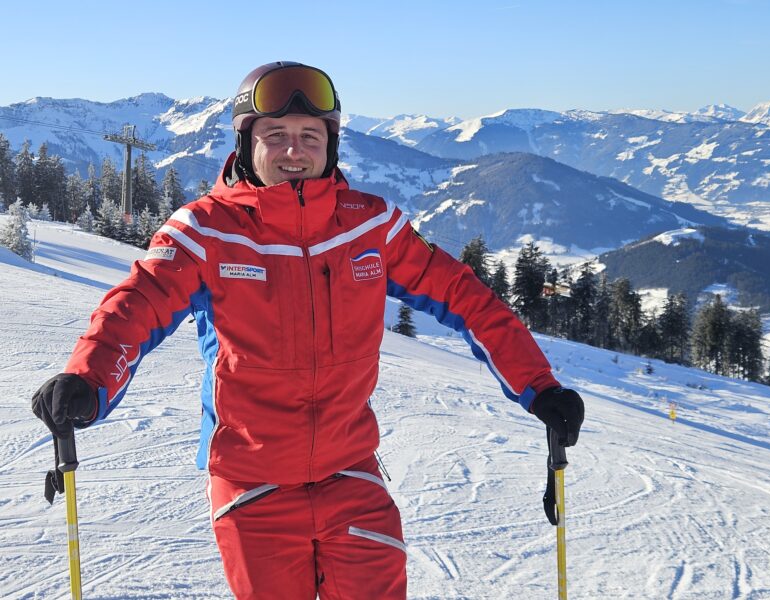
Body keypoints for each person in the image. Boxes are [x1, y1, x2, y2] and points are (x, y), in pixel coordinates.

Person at [32, 61, 585, 599]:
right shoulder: (204, 232)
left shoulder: (370, 225)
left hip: (352, 476)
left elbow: (468, 298)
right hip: (253, 485)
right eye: (276, 135)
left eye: (309, 135)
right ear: (248, 143)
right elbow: (136, 306)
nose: (294, 150)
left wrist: (539, 385)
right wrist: (87, 378)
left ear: (331, 145)